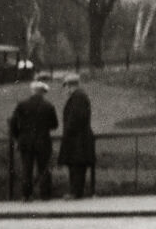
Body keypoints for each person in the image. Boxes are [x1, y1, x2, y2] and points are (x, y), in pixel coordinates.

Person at [9, 79, 59, 201]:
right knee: (44, 168)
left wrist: (18, 137)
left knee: (27, 168)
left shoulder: (21, 105)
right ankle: (45, 195)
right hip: (43, 141)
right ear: (43, 92)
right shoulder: (48, 106)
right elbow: (54, 124)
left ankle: (26, 195)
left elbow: (13, 123)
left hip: (25, 141)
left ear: (32, 91)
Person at [58, 72, 96, 200]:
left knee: (76, 166)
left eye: (66, 87)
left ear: (69, 86)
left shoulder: (77, 97)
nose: (66, 90)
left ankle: (75, 192)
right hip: (79, 138)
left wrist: (67, 133)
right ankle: (75, 192)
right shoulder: (79, 96)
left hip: (77, 140)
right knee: (76, 166)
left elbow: (75, 119)